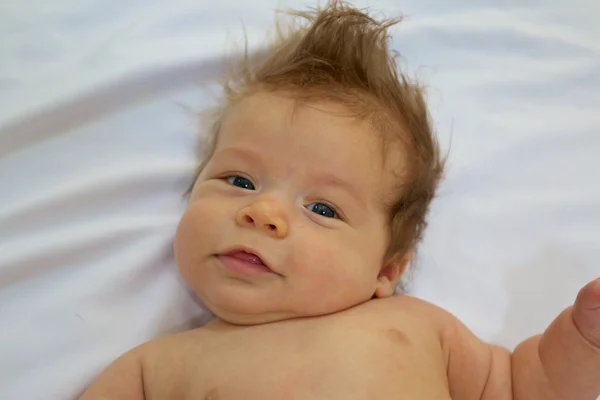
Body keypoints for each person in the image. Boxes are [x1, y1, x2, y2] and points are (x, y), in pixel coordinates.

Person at [79, 1, 600, 398]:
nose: (263, 213)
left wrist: (584, 340)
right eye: (239, 180)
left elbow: (526, 387)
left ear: (387, 271)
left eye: (323, 209)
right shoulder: (158, 366)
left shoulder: (417, 326)